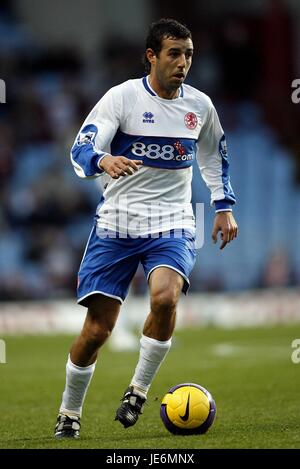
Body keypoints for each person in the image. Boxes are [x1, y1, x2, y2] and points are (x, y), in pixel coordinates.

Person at [54, 18, 238, 438]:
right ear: (152, 56)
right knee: (97, 329)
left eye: (188, 54)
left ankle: (138, 390)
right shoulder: (121, 98)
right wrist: (103, 160)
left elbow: (215, 157)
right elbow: (82, 147)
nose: (183, 63)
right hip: (116, 223)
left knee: (165, 297)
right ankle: (69, 412)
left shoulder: (200, 107)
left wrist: (224, 206)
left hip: (172, 221)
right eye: (174, 53)